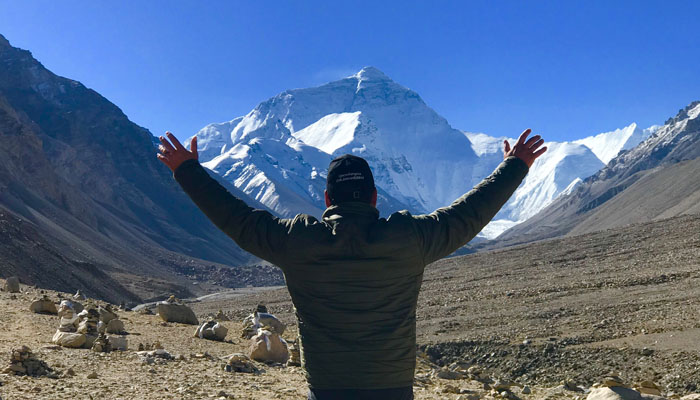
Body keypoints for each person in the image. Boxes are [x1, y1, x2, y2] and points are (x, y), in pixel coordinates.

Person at [157, 129, 546, 400]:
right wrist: (515, 166)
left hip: (328, 386)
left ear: (327, 197)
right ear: (375, 198)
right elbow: (468, 214)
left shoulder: (298, 241)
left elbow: (236, 218)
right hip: (392, 385)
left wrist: (186, 170)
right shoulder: (410, 238)